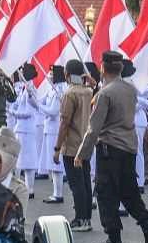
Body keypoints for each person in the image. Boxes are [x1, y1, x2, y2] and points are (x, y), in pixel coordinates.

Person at [75, 51, 148, 243]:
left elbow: (94, 128)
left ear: (102, 67)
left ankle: (114, 239)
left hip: (109, 149)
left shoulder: (105, 94)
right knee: (130, 193)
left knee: (106, 194)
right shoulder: (130, 90)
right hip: (128, 147)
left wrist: (82, 154)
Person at [54, 59, 93, 232]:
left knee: (76, 184)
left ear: (67, 74)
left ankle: (80, 219)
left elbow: (64, 123)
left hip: (71, 145)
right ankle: (87, 218)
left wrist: (57, 148)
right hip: (85, 142)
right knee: (85, 181)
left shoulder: (70, 94)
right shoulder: (88, 91)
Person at [39, 72, 67, 203]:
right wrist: (32, 96)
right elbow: (39, 102)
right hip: (49, 128)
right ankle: (56, 192)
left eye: (51, 74)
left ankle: (58, 194)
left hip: (55, 129)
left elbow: (53, 111)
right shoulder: (51, 89)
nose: (49, 76)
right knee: (52, 163)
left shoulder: (59, 90)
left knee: (56, 163)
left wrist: (40, 107)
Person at [12, 70, 38, 198]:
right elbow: (17, 105)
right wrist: (13, 109)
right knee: (20, 160)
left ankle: (30, 189)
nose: (21, 74)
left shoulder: (31, 88)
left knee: (28, 161)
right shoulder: (23, 88)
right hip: (20, 128)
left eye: (23, 72)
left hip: (27, 128)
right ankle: (21, 187)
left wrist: (15, 113)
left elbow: (30, 111)